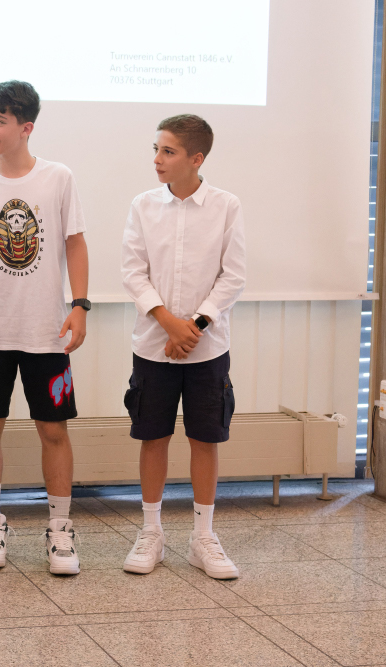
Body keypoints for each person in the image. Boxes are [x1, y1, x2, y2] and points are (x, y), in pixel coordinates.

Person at [0, 81, 89, 575]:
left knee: (53, 429)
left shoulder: (58, 177)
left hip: (45, 331)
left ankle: (60, 529)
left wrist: (80, 304)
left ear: (25, 127)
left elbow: (75, 242)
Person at [120, 114, 247, 579]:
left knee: (205, 438)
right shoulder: (143, 205)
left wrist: (194, 325)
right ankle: (151, 532)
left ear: (196, 159)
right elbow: (133, 271)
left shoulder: (226, 206)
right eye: (155, 149)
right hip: (154, 346)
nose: (157, 159)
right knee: (152, 437)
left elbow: (233, 275)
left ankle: (202, 537)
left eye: (168, 151)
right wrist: (169, 324)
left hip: (206, 348)